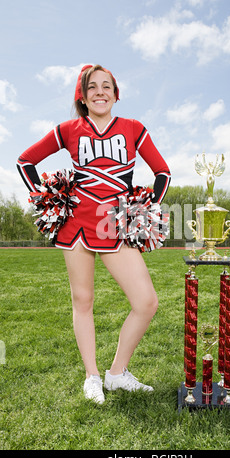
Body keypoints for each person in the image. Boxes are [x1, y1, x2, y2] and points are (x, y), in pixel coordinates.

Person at [17, 64, 171, 405]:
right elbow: (25, 161)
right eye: (92, 87)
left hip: (115, 225)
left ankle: (117, 373)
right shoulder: (68, 129)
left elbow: (162, 172)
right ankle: (92, 376)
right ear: (82, 97)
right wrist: (47, 200)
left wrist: (141, 209)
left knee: (146, 302)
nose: (100, 92)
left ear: (116, 94)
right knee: (83, 300)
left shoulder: (134, 128)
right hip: (77, 227)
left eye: (107, 86)